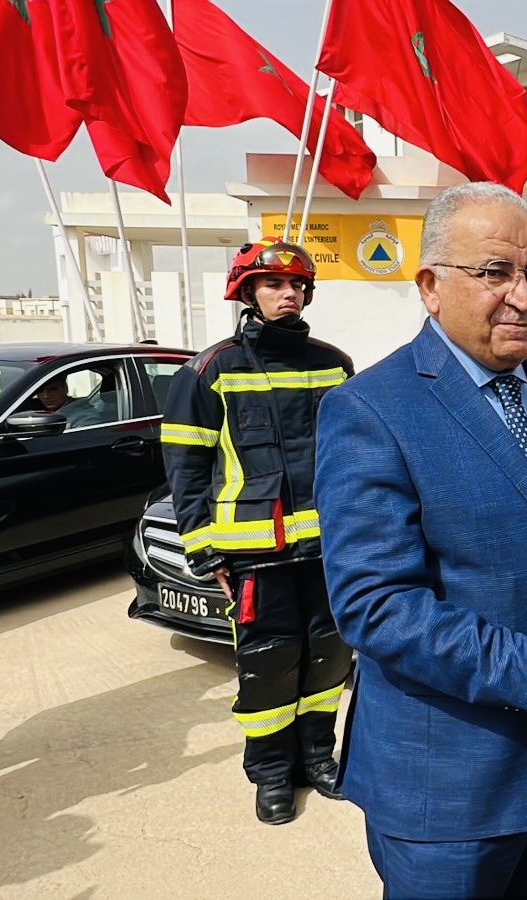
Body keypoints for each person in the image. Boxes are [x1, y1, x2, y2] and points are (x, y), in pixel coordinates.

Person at [313, 182, 527, 898]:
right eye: (495, 272)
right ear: (430, 287)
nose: (523, 297)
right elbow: (377, 607)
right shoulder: (370, 409)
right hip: (449, 794)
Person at [160, 239, 355, 826]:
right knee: (269, 662)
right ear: (247, 293)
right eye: (273, 284)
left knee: (328, 656)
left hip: (326, 548)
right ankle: (271, 772)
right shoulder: (210, 370)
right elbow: (186, 468)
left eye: (296, 285)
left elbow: (354, 457)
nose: (287, 293)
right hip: (253, 554)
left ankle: (317, 757)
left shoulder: (334, 363)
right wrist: (203, 549)